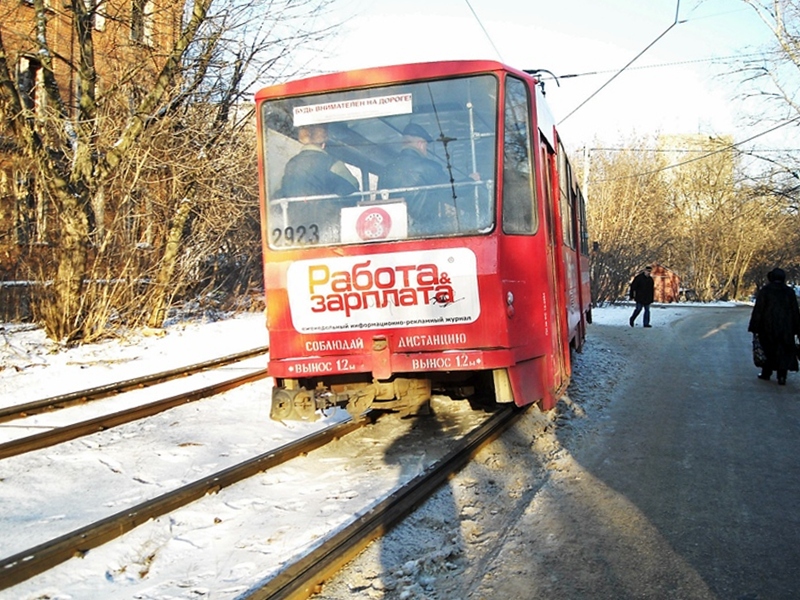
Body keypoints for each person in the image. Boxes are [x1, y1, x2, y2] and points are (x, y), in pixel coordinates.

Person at [378, 123, 455, 234]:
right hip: (424, 231)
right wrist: (471, 180)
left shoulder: (386, 170)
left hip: (393, 232)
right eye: (426, 147)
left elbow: (379, 202)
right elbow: (451, 191)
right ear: (421, 144)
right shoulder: (429, 167)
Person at [747, 267, 800, 385]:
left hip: (767, 326)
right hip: (786, 328)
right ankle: (782, 376)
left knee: (768, 349)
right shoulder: (789, 292)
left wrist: (754, 326)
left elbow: (759, 310)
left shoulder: (765, 291)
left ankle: (766, 373)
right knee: (784, 351)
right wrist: (797, 328)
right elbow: (795, 311)